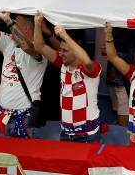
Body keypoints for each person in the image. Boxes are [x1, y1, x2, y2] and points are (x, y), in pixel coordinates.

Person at [32, 11, 102, 142]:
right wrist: (37, 24)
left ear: (76, 51)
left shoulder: (92, 68)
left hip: (87, 136)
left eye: (65, 50)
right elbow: (39, 46)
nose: (60, 53)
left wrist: (65, 35)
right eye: (61, 50)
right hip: (65, 134)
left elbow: (86, 61)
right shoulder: (63, 64)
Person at [0, 12, 47, 138]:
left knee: (25, 157)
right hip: (4, 115)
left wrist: (8, 21)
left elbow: (26, 46)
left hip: (25, 117)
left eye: (16, 23)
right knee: (3, 157)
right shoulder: (9, 41)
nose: (12, 24)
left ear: (25, 28)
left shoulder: (41, 48)